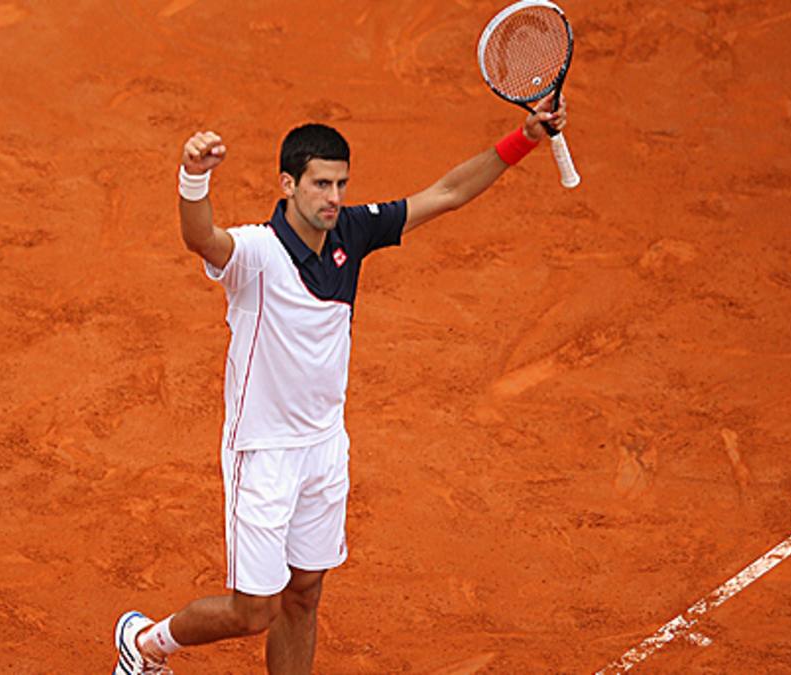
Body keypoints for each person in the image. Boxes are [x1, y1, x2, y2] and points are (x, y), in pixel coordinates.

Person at [114, 93, 569, 675]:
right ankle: (147, 644)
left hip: (325, 449)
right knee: (255, 610)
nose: (334, 198)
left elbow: (447, 193)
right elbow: (201, 239)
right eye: (321, 185)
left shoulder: (352, 232)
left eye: (340, 185)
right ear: (288, 184)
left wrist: (524, 138)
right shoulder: (256, 253)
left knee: (304, 595)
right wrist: (193, 177)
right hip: (264, 453)